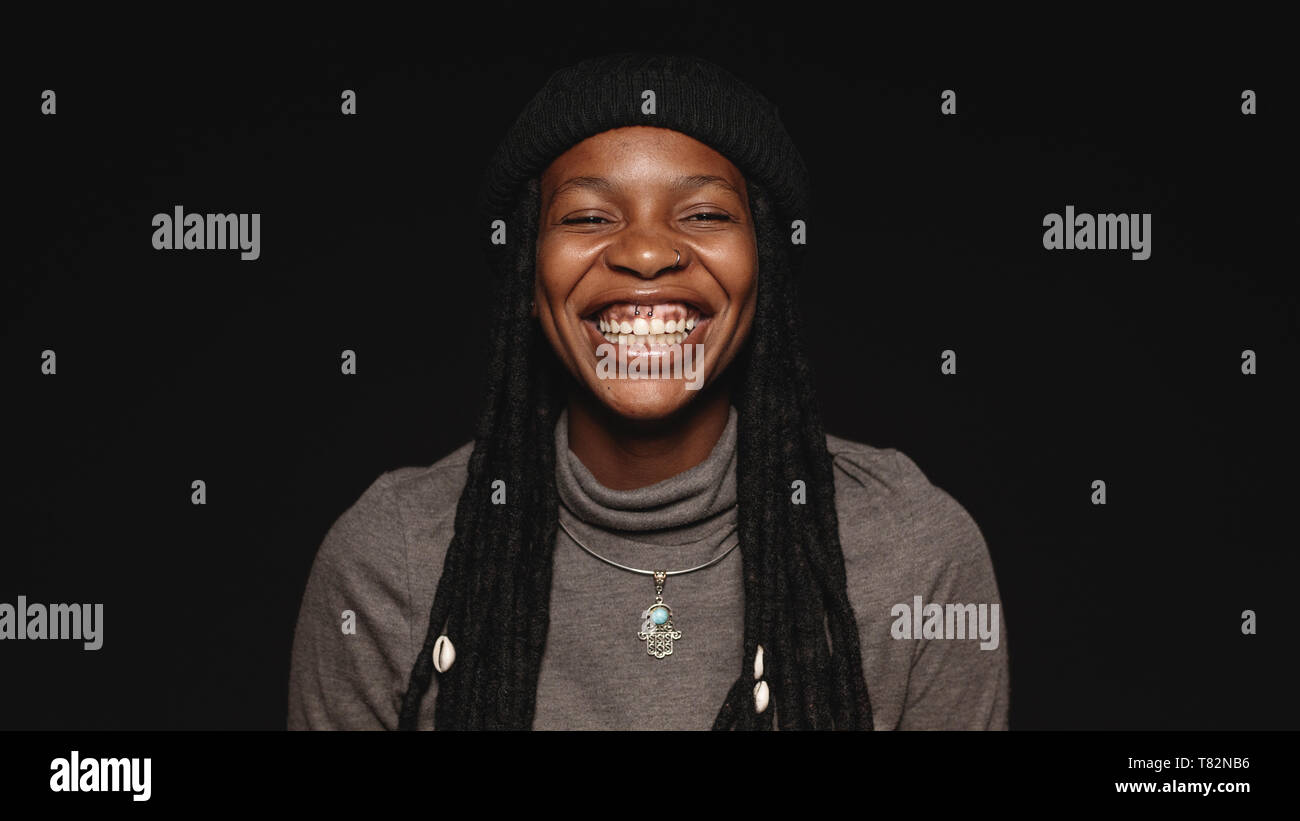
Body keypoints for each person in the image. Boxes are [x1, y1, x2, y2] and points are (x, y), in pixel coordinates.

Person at [288, 51, 1009, 730]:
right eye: (588, 216)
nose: (645, 251)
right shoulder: (392, 560)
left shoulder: (916, 553)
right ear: (527, 278)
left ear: (765, 265)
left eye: (703, 214)